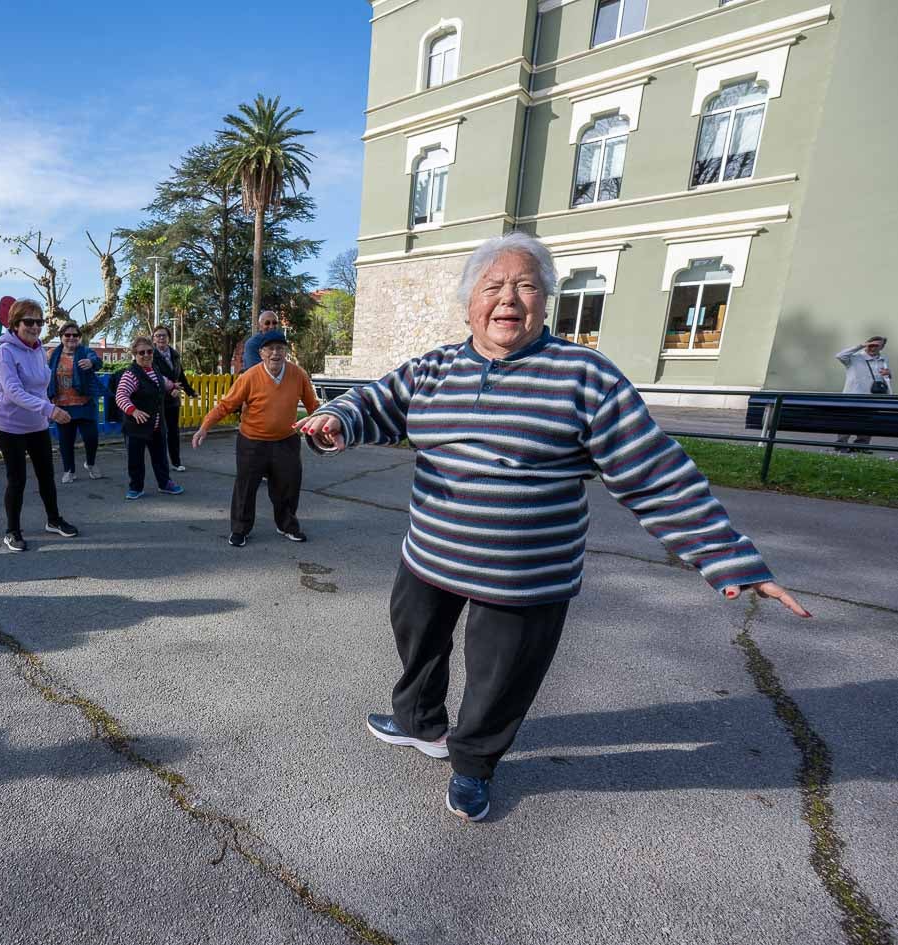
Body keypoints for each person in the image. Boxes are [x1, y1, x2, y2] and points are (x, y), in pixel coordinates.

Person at [295, 232, 811, 823]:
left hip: (525, 574)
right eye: (492, 286)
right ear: (470, 303)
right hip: (431, 556)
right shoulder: (434, 368)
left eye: (525, 286)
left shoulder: (583, 376)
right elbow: (375, 404)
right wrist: (335, 418)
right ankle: (419, 723)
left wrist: (728, 556)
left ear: (546, 302)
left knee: (501, 678)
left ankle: (473, 764)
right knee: (417, 643)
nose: (507, 299)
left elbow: (655, 472)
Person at [192, 330, 317, 545]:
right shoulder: (249, 377)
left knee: (288, 486)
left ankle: (287, 525)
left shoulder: (298, 375)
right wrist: (204, 427)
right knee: (246, 487)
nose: (275, 353)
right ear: (261, 353)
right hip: (252, 442)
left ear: (285, 351)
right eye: (270, 349)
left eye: (280, 348)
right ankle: (240, 529)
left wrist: (326, 425)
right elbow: (226, 405)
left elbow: (312, 405)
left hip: (286, 441)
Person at [0, 299, 79, 552]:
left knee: (46, 476)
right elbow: (13, 392)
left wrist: (48, 407)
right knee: (17, 479)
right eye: (28, 322)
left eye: (39, 322)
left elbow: (41, 386)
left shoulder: (39, 350)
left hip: (37, 423)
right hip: (11, 425)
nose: (34, 327)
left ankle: (53, 520)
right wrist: (50, 409)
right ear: (15, 324)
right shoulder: (5, 352)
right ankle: (12, 531)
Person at [117, 337, 185, 500]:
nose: (146, 355)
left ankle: (165, 483)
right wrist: (133, 411)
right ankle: (136, 487)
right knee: (136, 460)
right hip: (136, 427)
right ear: (135, 354)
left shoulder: (154, 369)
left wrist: (173, 387)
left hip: (156, 426)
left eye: (149, 351)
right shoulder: (131, 375)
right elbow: (121, 396)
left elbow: (163, 382)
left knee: (160, 458)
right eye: (141, 352)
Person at [46, 321, 104, 484]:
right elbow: (43, 373)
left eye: (75, 335)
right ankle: (69, 470)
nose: (71, 338)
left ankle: (90, 463)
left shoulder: (85, 352)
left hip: (84, 404)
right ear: (61, 337)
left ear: (79, 337)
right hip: (62, 405)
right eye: (67, 335)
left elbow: (98, 361)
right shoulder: (52, 354)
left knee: (91, 438)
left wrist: (91, 363)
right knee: (66, 441)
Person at [834, 335, 890, 452]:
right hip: (853, 396)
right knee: (847, 421)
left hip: (872, 399)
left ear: (882, 347)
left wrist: (888, 375)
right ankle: (841, 445)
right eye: (871, 344)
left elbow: (882, 381)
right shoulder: (855, 358)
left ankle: (861, 446)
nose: (872, 347)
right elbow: (839, 356)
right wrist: (861, 346)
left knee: (868, 423)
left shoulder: (882, 360)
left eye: (876, 345)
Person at [152, 325, 196, 471]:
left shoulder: (174, 354)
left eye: (163, 335)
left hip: (174, 400)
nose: (161, 338)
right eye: (158, 335)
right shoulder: (150, 355)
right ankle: (160, 462)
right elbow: (154, 377)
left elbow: (180, 375)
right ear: (154, 339)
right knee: (159, 432)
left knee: (173, 432)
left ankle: (176, 462)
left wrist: (190, 391)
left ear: (169, 338)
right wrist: (169, 389)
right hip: (158, 399)